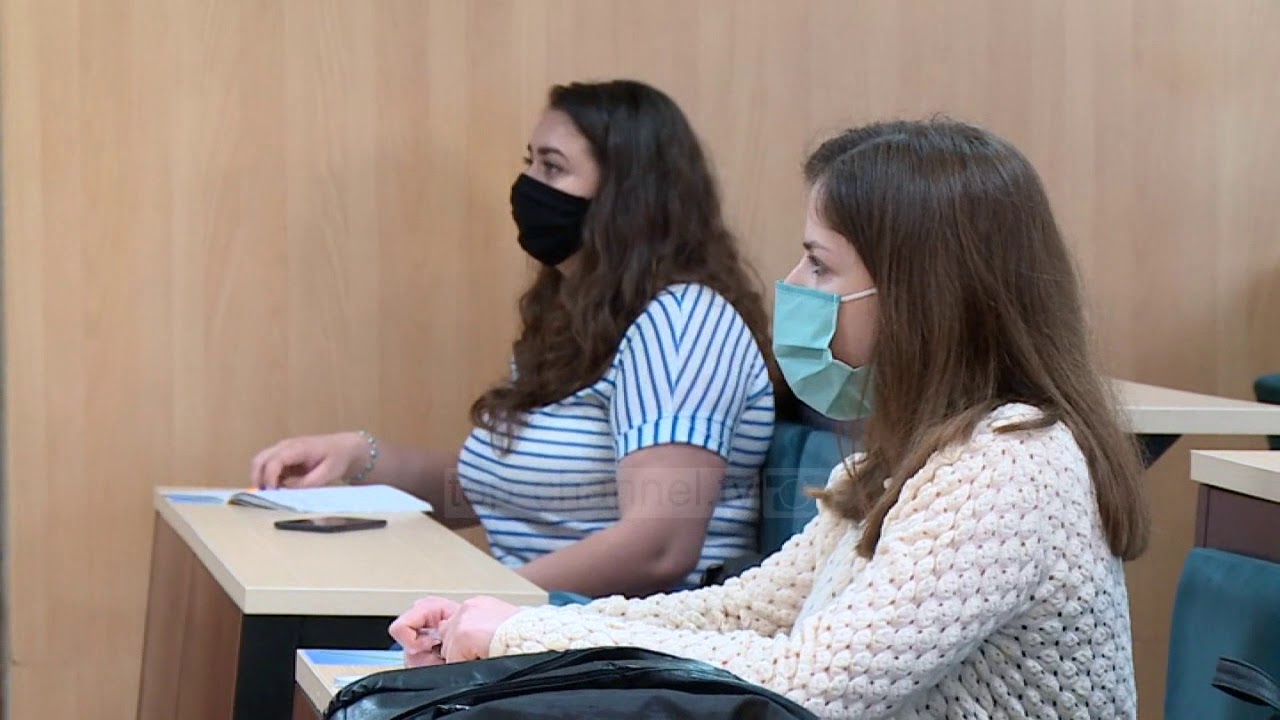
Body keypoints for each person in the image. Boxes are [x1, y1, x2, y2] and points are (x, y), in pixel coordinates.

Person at [388, 119, 1152, 719]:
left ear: (920, 297)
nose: (793, 284)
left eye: (820, 264)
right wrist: (518, 629)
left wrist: (523, 634)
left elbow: (810, 685)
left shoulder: (1010, 462)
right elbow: (745, 614)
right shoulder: (898, 460)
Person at [250, 80, 779, 598]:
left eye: (552, 167)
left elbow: (660, 547)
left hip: (625, 638)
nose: (527, 185)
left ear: (628, 197)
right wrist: (358, 456)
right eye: (530, 162)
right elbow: (498, 496)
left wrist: (472, 599)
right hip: (527, 625)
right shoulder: (577, 320)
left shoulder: (683, 321)